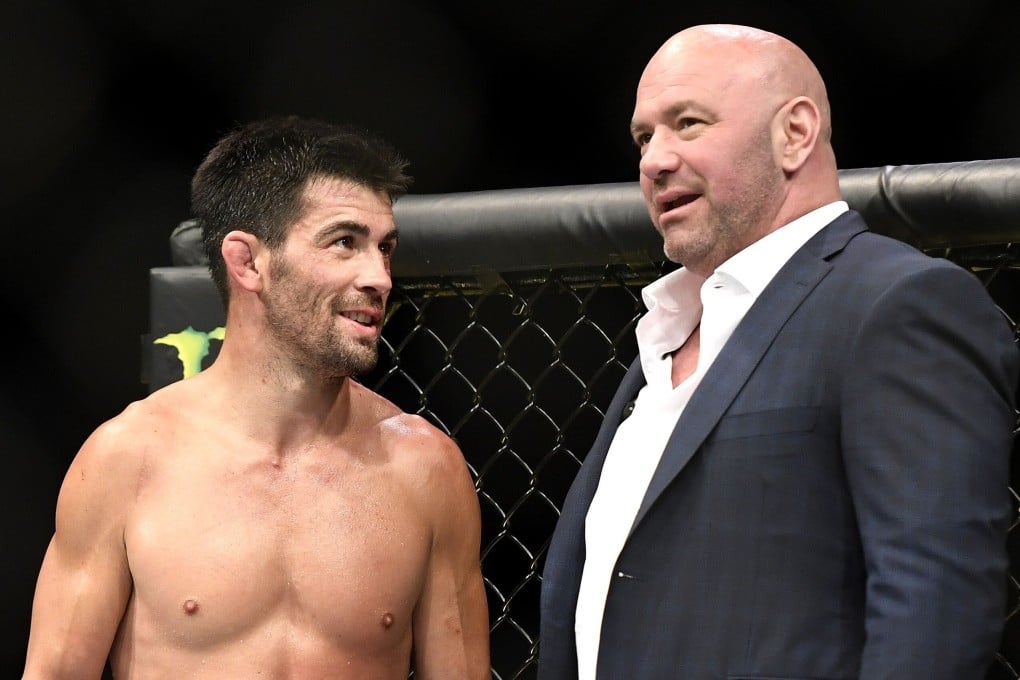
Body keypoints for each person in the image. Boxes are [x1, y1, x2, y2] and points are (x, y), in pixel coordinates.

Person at [539, 23, 1019, 680]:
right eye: (644, 137)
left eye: (688, 123)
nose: (654, 159)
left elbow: (935, 605)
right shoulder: (666, 334)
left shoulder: (896, 304)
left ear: (794, 133)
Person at [22, 115, 491, 679]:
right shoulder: (127, 461)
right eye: (345, 242)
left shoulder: (425, 470)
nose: (381, 278)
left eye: (384, 248)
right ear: (248, 262)